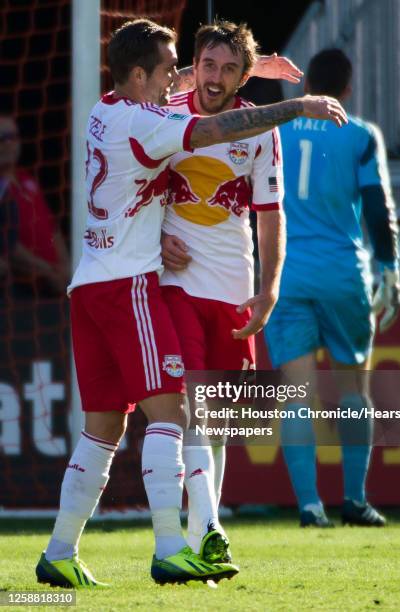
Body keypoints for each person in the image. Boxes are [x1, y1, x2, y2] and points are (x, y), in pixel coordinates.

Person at [35, 19, 347, 588]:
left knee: (103, 427)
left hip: (90, 284)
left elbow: (171, 87)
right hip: (133, 285)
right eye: (169, 70)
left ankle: (58, 551)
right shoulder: (153, 120)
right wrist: (297, 106)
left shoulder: (105, 108)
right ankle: (173, 545)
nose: (175, 80)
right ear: (141, 76)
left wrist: (251, 71)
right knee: (173, 412)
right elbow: (215, 128)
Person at [160, 20, 292, 555]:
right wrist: (154, 242)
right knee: (189, 405)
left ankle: (202, 532)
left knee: (219, 420)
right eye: (207, 65)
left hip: (233, 289)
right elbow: (129, 186)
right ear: (194, 65)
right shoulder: (163, 112)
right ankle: (206, 531)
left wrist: (270, 290)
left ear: (242, 77)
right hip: (173, 285)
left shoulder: (259, 128)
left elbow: (270, 214)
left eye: (229, 68)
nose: (215, 78)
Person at [265, 49, 400, 527]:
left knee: (296, 395)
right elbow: (376, 204)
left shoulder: (276, 131)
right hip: (343, 274)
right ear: (347, 88)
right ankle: (355, 500)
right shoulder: (360, 134)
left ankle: (308, 505)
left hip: (287, 274)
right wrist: (389, 266)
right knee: (352, 390)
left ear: (303, 89)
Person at [0, 114, 69, 298]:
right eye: (2, 138)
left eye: (13, 137)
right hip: (26, 293)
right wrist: (49, 271)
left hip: (57, 286)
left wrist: (66, 267)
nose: (9, 144)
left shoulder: (27, 179)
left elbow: (53, 229)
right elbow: (9, 247)